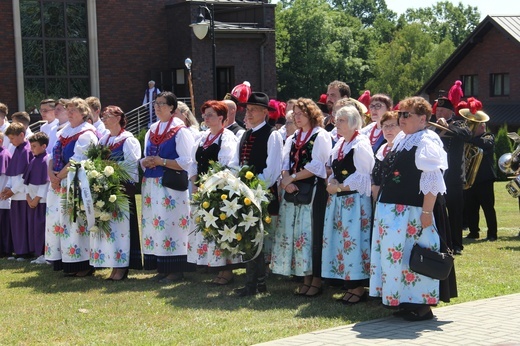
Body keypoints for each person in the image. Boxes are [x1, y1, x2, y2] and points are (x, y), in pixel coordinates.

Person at [369, 96, 449, 321]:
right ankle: (404, 300)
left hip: (411, 211)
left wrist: (426, 212)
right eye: (400, 113)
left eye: (406, 114)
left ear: (422, 118)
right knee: (397, 257)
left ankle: (422, 306)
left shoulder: (427, 140)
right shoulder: (405, 138)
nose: (400, 118)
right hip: (393, 210)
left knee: (415, 255)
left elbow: (433, 179)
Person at [271, 98, 332, 297]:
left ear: (311, 114)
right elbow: (284, 162)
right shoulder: (294, 137)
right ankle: (304, 277)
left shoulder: (320, 135)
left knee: (311, 234)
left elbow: (318, 165)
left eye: (300, 114)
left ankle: (316, 279)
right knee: (298, 234)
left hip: (313, 190)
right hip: (294, 190)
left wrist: (293, 178)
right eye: (294, 114)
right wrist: (286, 181)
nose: (296, 117)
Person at [141, 91, 196, 283]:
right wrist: (145, 161)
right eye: (156, 103)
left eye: (162, 104)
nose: (157, 107)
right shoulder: (152, 129)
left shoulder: (181, 131)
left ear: (172, 107)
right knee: (155, 225)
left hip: (170, 186)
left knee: (171, 224)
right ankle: (161, 267)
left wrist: (162, 161)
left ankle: (176, 269)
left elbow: (187, 162)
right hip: (151, 184)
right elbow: (146, 155)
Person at [322, 105, 374, 304]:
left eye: (342, 120)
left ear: (353, 123)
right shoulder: (341, 144)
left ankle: (358, 286)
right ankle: (348, 282)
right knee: (341, 241)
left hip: (354, 202)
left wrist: (339, 187)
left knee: (354, 240)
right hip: (340, 201)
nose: (337, 124)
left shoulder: (360, 144)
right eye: (337, 120)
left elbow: (363, 178)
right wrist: (332, 182)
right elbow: (334, 170)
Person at [233, 91, 283, 296]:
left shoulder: (272, 135)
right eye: (248, 109)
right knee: (248, 237)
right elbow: (237, 164)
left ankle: (256, 283)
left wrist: (254, 188)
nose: (249, 113)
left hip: (262, 194)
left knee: (257, 239)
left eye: (254, 110)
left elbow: (272, 170)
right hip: (245, 192)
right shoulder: (245, 134)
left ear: (265, 113)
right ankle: (254, 283)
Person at [45, 97, 98, 276]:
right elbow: (52, 154)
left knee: (76, 222)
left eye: (73, 110)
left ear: (84, 113)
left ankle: (82, 263)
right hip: (60, 182)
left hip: (76, 182)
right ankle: (65, 261)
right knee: (60, 222)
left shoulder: (87, 133)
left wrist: (58, 176)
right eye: (67, 110)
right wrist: (51, 173)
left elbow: (77, 159)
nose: (69, 113)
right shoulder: (63, 131)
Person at [187, 100, 239, 285]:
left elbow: (228, 166)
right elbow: (192, 163)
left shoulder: (227, 138)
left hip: (220, 190)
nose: (206, 118)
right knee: (207, 228)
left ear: (221, 118)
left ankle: (226, 270)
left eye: (210, 115)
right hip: (201, 189)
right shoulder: (202, 137)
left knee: (220, 227)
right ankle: (213, 265)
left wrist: (210, 184)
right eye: (205, 115)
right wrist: (195, 182)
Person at [89, 106, 142, 280]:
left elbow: (132, 166)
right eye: (103, 116)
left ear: (118, 118)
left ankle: (122, 266)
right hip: (105, 188)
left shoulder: (128, 140)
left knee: (121, 229)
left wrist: (111, 170)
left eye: (108, 116)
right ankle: (113, 263)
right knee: (108, 227)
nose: (104, 119)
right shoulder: (103, 139)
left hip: (121, 190)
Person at [434, 97, 472, 255]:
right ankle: (441, 242)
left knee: (455, 211)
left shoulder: (458, 123)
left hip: (453, 175)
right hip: (437, 175)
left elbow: (467, 134)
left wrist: (447, 125)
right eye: (437, 111)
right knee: (437, 211)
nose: (439, 113)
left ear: (450, 112)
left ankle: (457, 244)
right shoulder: (432, 126)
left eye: (442, 111)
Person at [1, 122, 33, 260]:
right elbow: (12, 173)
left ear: (21, 135)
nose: (11, 142)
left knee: (23, 224)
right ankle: (18, 250)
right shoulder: (17, 149)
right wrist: (7, 187)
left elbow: (24, 175)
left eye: (13, 138)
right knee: (16, 224)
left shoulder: (27, 150)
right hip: (15, 195)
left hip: (22, 194)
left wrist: (13, 190)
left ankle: (24, 251)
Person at [464, 122, 498, 241]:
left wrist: (470, 138)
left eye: (474, 126)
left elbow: (485, 144)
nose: (470, 128)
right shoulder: (469, 140)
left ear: (482, 127)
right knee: (471, 207)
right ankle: (474, 232)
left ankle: (492, 233)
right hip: (470, 178)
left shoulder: (488, 136)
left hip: (485, 179)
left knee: (488, 207)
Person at [25, 132, 50, 264]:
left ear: (44, 146)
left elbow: (45, 183)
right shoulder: (34, 160)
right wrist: (28, 196)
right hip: (33, 201)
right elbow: (28, 181)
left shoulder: (46, 160)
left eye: (34, 146)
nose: (31, 148)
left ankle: (45, 254)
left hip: (42, 202)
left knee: (42, 228)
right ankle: (38, 253)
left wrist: (36, 199)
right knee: (35, 228)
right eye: (31, 145)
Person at [371, 111, 402, 201]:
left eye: (392, 125)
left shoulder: (402, 149)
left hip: (396, 199)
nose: (388, 130)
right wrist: (373, 187)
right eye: (385, 126)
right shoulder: (381, 148)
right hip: (378, 199)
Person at [0, 131, 12, 257]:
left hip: (3, 197)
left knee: (4, 226)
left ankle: (5, 250)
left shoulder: (3, 154)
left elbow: (3, 177)